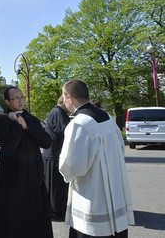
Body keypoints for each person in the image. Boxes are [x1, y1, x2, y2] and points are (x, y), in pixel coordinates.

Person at [59, 79, 134, 238]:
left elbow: (72, 165)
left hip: (92, 195)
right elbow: (121, 148)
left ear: (69, 97)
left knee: (91, 231)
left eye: (63, 96)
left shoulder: (79, 123)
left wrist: (65, 172)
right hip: (115, 188)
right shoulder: (107, 117)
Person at [0, 85, 53, 238]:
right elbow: (10, 145)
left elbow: (46, 142)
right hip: (13, 179)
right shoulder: (2, 121)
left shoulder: (32, 119)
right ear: (7, 102)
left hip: (33, 177)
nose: (20, 101)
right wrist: (18, 124)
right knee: (14, 220)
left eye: (21, 97)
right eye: (15, 98)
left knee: (34, 219)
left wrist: (26, 126)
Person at [42, 95, 71, 221]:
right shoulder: (58, 113)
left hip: (53, 155)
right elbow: (65, 132)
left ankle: (55, 209)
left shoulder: (57, 112)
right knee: (56, 187)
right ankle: (56, 211)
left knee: (55, 186)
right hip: (54, 156)